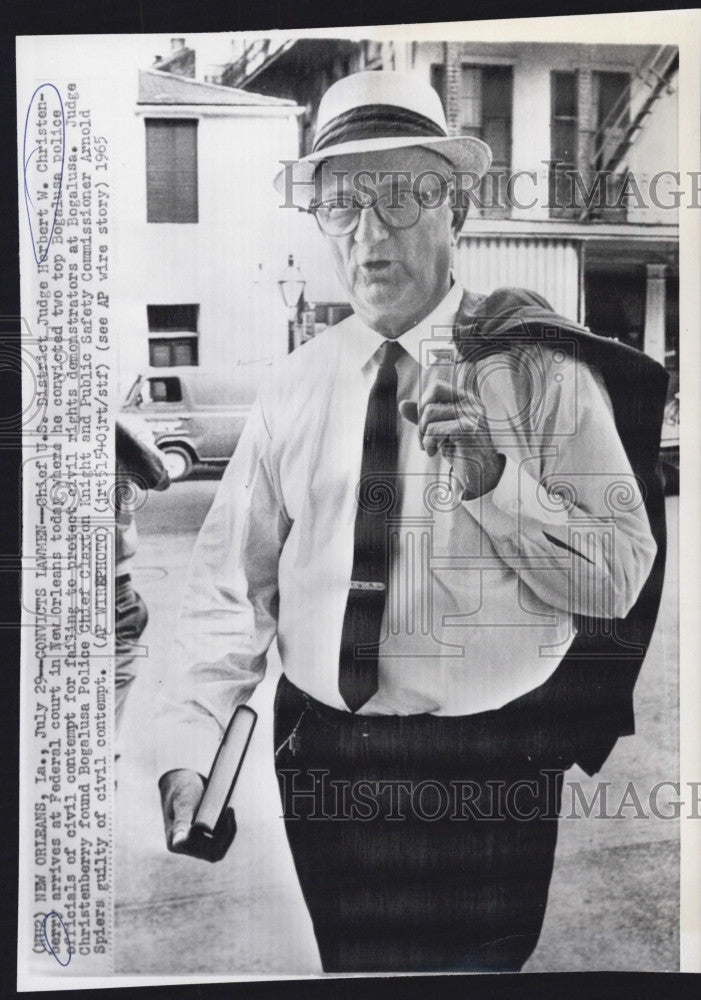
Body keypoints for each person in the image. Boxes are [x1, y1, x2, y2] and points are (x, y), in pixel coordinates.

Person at [156, 71, 665, 973]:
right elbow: (230, 593)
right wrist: (190, 746)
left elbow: (617, 576)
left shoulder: (543, 376)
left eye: (401, 197)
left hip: (489, 766)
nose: (369, 232)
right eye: (342, 205)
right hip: (324, 758)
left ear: (457, 208)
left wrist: (496, 482)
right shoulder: (292, 387)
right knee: (353, 969)